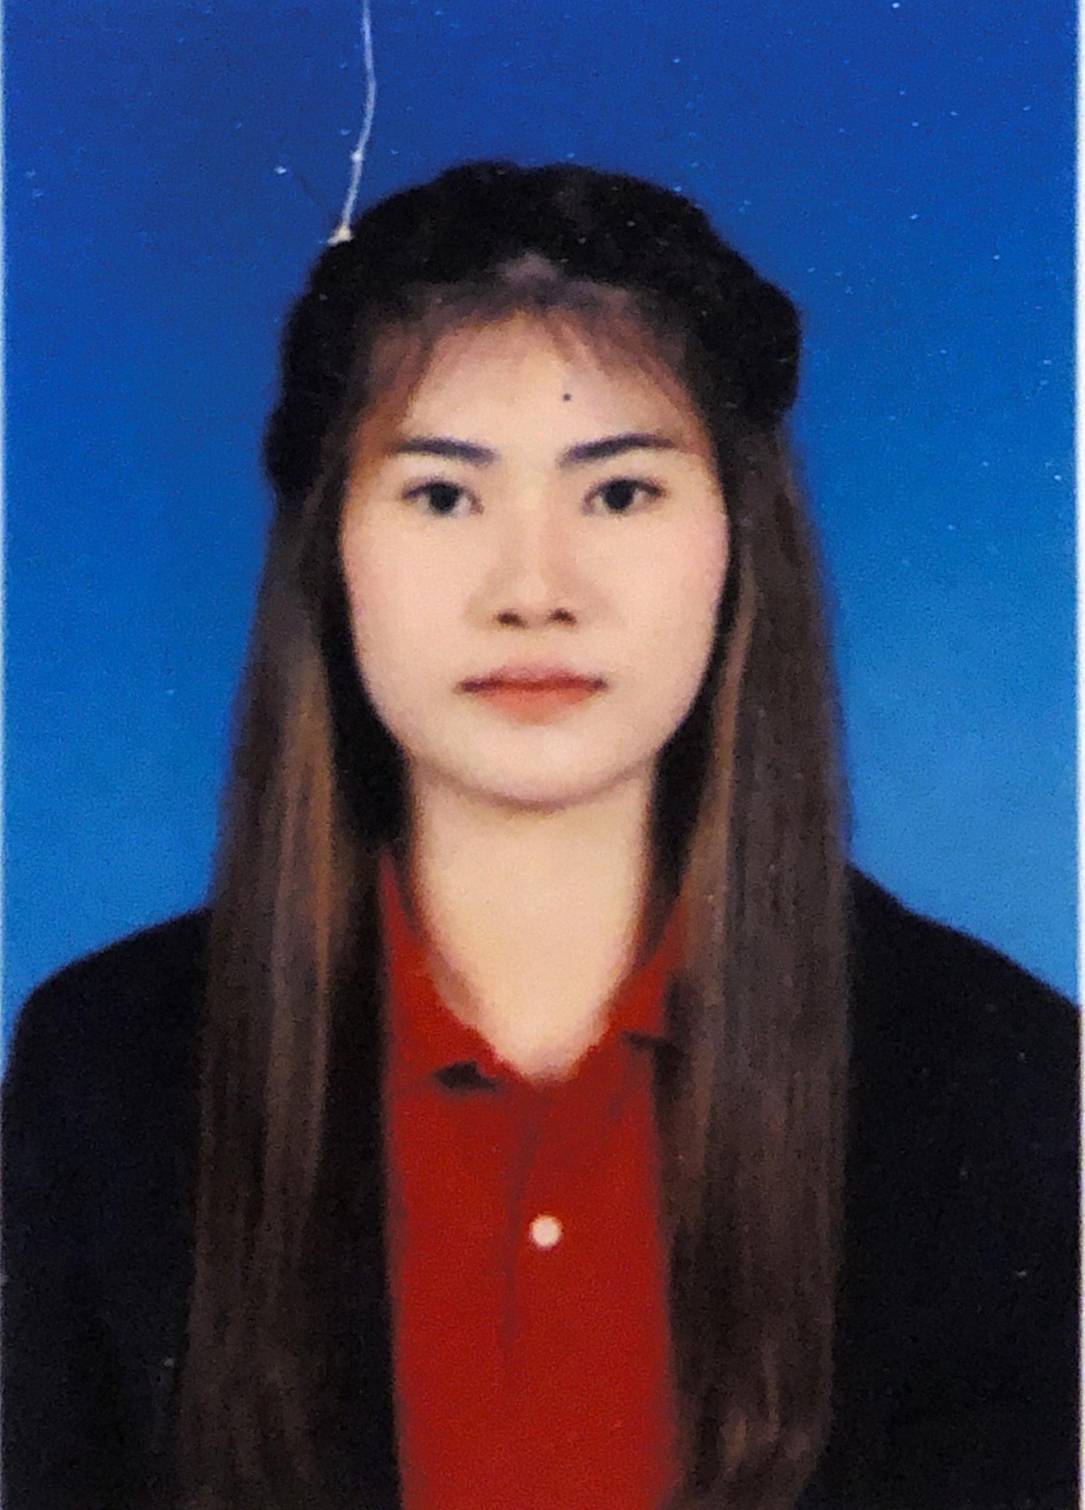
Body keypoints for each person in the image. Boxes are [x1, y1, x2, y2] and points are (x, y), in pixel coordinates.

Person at [2, 159, 1077, 1510]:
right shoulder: (111, 1075)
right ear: (331, 550)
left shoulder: (998, 1088)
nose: (533, 590)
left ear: (738, 542)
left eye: (618, 493)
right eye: (442, 495)